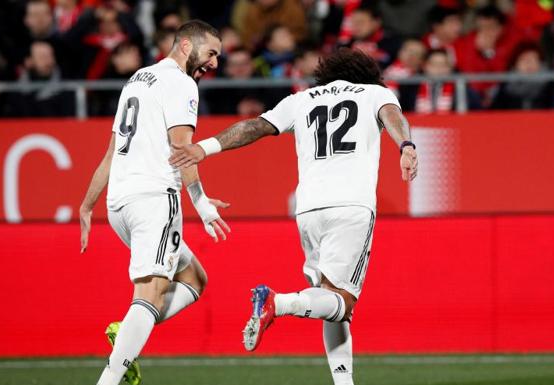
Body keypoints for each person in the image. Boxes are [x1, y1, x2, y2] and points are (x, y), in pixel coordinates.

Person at [169, 48, 418, 385]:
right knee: (342, 303)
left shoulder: (301, 99)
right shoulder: (375, 93)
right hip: (351, 205)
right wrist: (405, 145)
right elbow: (393, 116)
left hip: (309, 209)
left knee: (328, 298)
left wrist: (205, 147)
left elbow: (255, 127)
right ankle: (279, 301)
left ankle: (344, 382)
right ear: (367, 74)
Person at [79, 20, 230, 385]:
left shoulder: (138, 79)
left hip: (120, 203)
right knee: (150, 293)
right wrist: (202, 203)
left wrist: (87, 205)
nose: (213, 64)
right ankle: (111, 375)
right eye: (210, 53)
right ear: (184, 47)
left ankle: (129, 331)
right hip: (153, 199)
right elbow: (182, 150)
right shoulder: (181, 83)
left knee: (194, 278)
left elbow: (112, 151)